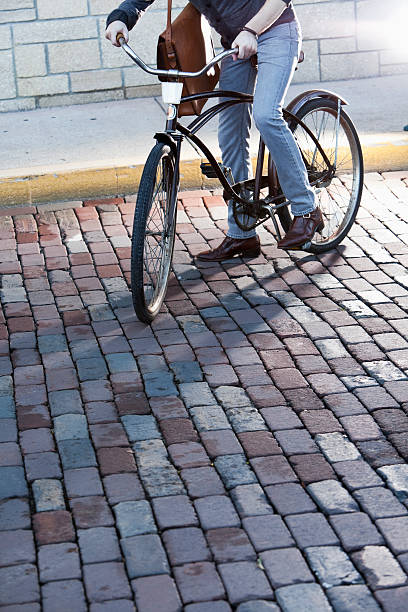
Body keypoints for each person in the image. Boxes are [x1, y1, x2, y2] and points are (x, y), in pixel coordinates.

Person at [106, 0, 323, 260]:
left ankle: (306, 208)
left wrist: (252, 31)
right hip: (235, 45)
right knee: (230, 133)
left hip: (274, 31)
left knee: (266, 115)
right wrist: (120, 18)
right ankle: (242, 235)